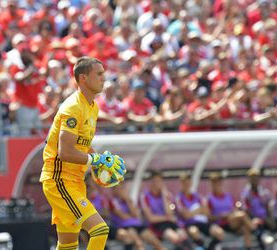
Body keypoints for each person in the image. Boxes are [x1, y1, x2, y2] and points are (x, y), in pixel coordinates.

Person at [39, 56, 126, 250]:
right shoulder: (72, 108)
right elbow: (65, 152)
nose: (104, 78)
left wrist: (100, 163)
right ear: (83, 78)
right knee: (100, 230)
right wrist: (95, 160)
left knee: (68, 243)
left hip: (74, 180)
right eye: (99, 74)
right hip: (59, 180)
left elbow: (82, 146)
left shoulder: (93, 108)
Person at [140, 170, 191, 250]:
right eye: (155, 181)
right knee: (175, 238)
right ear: (151, 182)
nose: (157, 184)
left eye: (159, 181)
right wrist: (166, 218)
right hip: (157, 225)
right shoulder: (145, 197)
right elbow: (151, 218)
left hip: (170, 223)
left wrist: (164, 196)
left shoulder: (167, 195)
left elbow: (169, 213)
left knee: (184, 236)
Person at [175, 173, 224, 250]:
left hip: (203, 222)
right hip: (189, 224)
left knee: (219, 232)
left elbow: (207, 212)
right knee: (194, 232)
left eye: (188, 182)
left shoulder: (197, 196)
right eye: (184, 183)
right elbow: (186, 215)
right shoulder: (179, 198)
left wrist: (192, 212)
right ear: (181, 184)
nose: (187, 185)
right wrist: (199, 210)